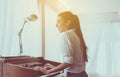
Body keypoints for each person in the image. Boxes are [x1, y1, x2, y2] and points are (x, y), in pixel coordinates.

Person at [35, 11, 88, 77]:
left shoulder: (66, 35)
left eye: (59, 21)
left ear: (67, 22)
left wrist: (48, 71)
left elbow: (68, 62)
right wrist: (54, 67)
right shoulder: (75, 34)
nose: (56, 25)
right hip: (82, 74)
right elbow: (74, 64)